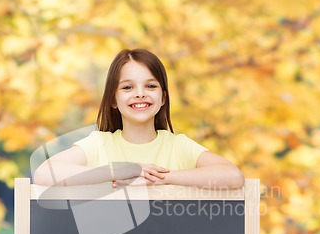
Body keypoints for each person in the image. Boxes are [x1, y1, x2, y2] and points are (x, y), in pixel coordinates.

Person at [33, 48, 244, 189]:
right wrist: (122, 172)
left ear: (163, 98)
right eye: (127, 87)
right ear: (113, 100)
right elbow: (45, 173)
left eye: (150, 86)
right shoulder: (99, 144)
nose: (140, 93)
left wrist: (160, 178)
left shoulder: (177, 146)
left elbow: (233, 177)